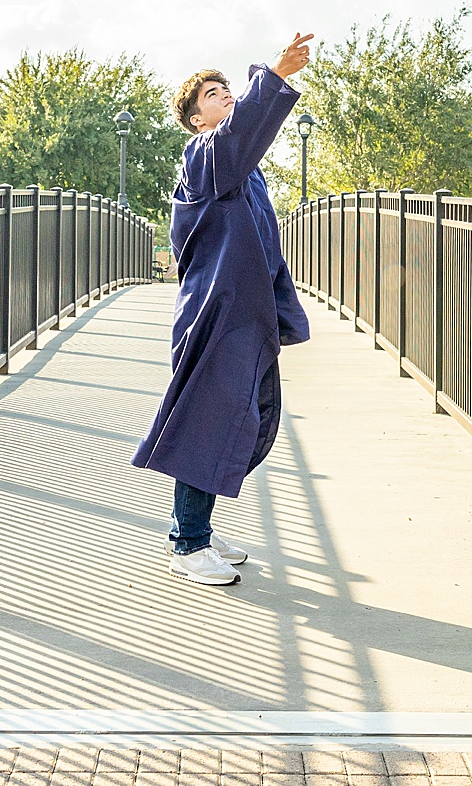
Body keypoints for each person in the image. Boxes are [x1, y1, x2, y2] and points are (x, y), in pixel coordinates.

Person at [132, 33, 314, 585]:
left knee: (242, 419)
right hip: (216, 315)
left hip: (244, 313)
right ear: (194, 119)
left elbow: (261, 231)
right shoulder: (202, 156)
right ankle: (186, 544)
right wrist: (275, 76)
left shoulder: (242, 168)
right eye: (212, 94)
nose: (225, 96)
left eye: (228, 88)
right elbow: (240, 138)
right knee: (208, 426)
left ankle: (199, 531)